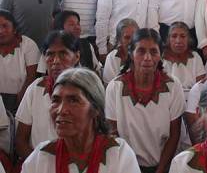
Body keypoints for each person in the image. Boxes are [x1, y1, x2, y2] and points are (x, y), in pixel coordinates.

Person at [21, 68, 141, 173]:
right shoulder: (41, 157)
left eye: (73, 100)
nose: (61, 110)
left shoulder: (118, 154)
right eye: (56, 100)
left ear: (95, 109)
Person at [105, 28, 185, 173]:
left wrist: (160, 171)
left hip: (162, 166)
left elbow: (174, 135)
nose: (147, 57)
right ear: (131, 53)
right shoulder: (115, 87)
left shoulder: (173, 86)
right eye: (141, 51)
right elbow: (113, 135)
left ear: (161, 55)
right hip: (124, 167)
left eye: (154, 52)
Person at [15, 30, 80, 161]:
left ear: (77, 57)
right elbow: (20, 141)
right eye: (50, 54)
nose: (55, 61)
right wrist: (40, 166)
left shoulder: (88, 91)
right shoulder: (36, 88)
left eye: (63, 53)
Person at [0, 10, 40, 115]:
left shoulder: (28, 45)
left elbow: (31, 78)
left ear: (14, 28)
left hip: (21, 98)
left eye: (5, 26)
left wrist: (21, 101)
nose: (1, 31)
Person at [163, 22, 206, 93]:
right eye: (174, 36)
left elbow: (200, 85)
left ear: (188, 39)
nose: (178, 41)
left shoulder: (195, 56)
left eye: (183, 36)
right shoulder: (161, 58)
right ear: (168, 39)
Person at [103, 18, 139, 84]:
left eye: (134, 37)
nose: (131, 41)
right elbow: (109, 85)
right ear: (119, 39)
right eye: (127, 37)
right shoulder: (112, 57)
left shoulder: (144, 56)